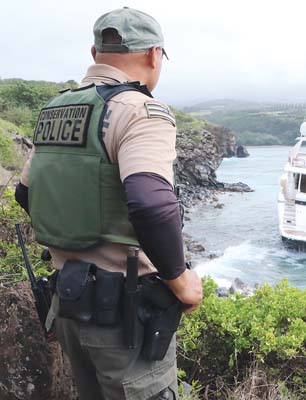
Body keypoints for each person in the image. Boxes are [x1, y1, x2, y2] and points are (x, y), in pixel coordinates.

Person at [14, 7, 203, 400]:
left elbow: (25, 193)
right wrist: (181, 281)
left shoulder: (56, 110)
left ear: (94, 52)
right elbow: (151, 204)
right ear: (154, 54)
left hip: (68, 306)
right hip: (125, 322)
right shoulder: (141, 111)